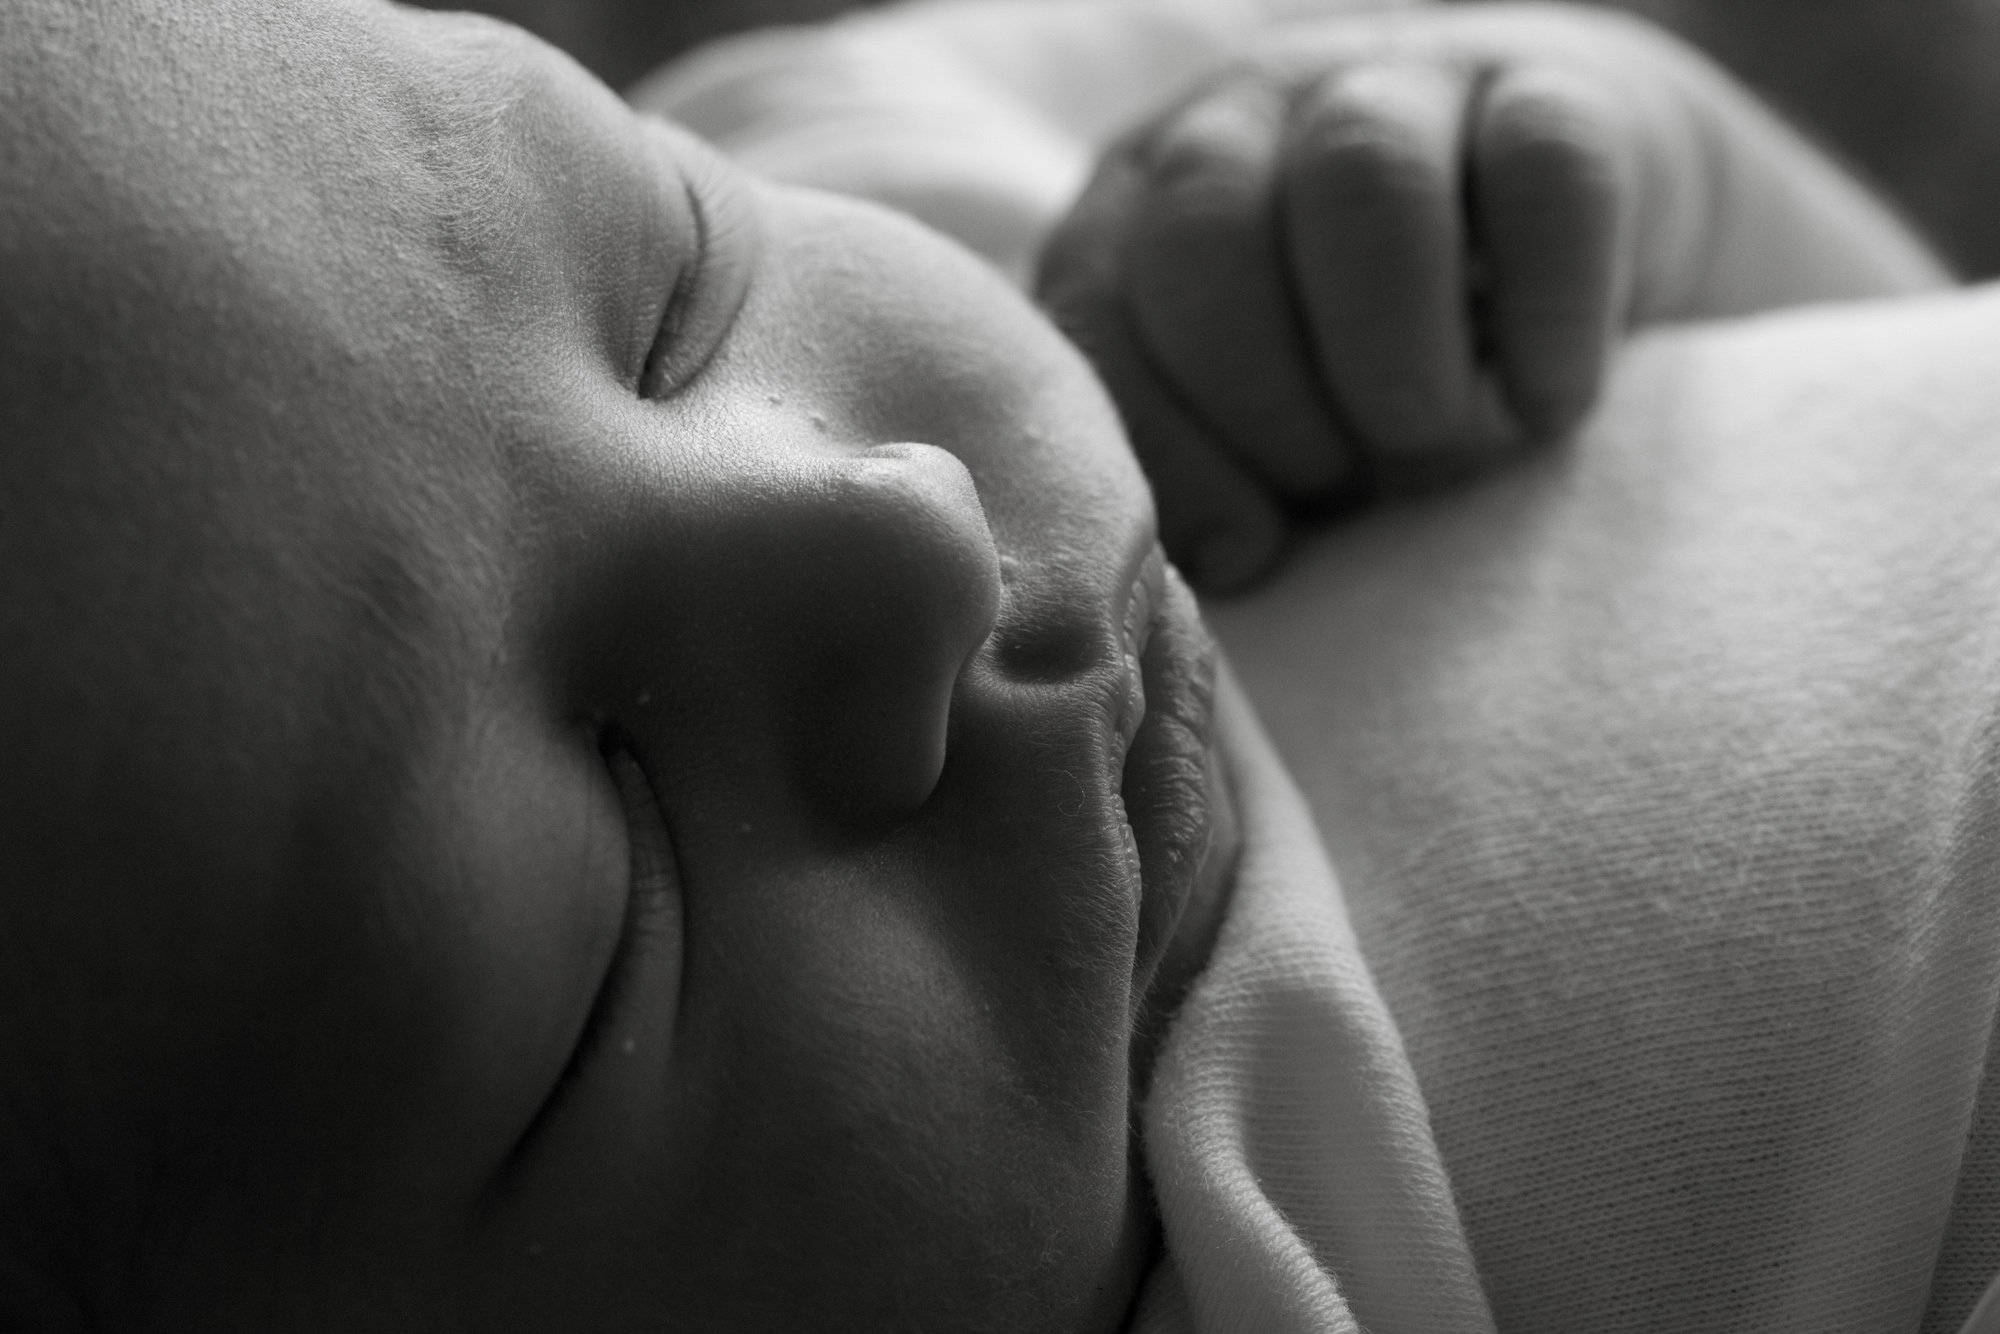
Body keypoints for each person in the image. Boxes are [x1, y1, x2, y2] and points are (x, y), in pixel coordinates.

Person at [0, 2, 1974, 1331]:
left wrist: (1538, 163)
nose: (898, 525)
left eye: (676, 287)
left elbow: (1881, 318)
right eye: (610, 901)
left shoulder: (913, 158)